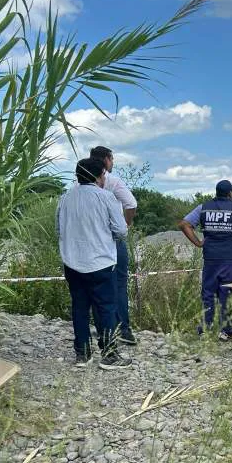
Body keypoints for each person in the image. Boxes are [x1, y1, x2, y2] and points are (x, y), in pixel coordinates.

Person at [56, 158, 132, 370]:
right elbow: (121, 230)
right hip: (100, 262)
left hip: (72, 262)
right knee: (106, 308)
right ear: (99, 176)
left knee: (79, 308)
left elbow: (58, 229)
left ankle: (82, 354)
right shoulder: (106, 197)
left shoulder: (65, 198)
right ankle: (109, 355)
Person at [179, 180, 232, 340]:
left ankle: (205, 329)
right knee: (228, 292)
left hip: (211, 255)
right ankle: (226, 330)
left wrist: (198, 242)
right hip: (231, 255)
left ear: (216, 192)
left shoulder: (203, 207)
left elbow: (184, 224)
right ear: (230, 193)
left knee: (208, 292)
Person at [89, 146, 138, 346]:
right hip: (113, 238)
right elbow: (131, 204)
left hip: (91, 240)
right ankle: (123, 329)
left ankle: (103, 330)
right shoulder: (113, 181)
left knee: (94, 285)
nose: (113, 163)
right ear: (107, 160)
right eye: (112, 159)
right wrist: (126, 224)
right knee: (119, 284)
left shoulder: (79, 183)